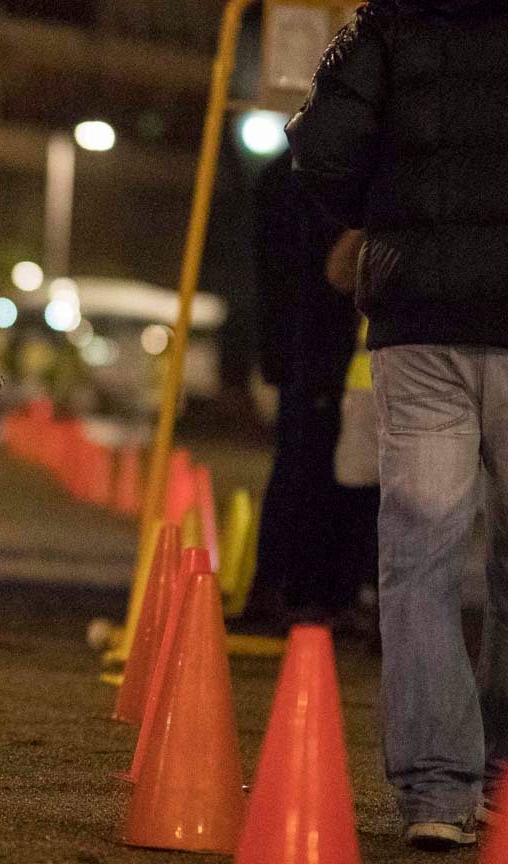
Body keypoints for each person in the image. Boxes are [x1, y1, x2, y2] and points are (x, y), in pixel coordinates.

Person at [288, 0, 508, 850]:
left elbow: (320, 152)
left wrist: (390, 210)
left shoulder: (388, 23)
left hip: (419, 320)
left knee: (419, 558)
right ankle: (499, 768)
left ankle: (436, 789)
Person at [244, 150, 379, 633]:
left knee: (331, 478)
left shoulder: (297, 172)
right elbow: (330, 275)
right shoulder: (314, 177)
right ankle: (303, 592)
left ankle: (316, 592)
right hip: (325, 361)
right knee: (314, 472)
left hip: (327, 363)